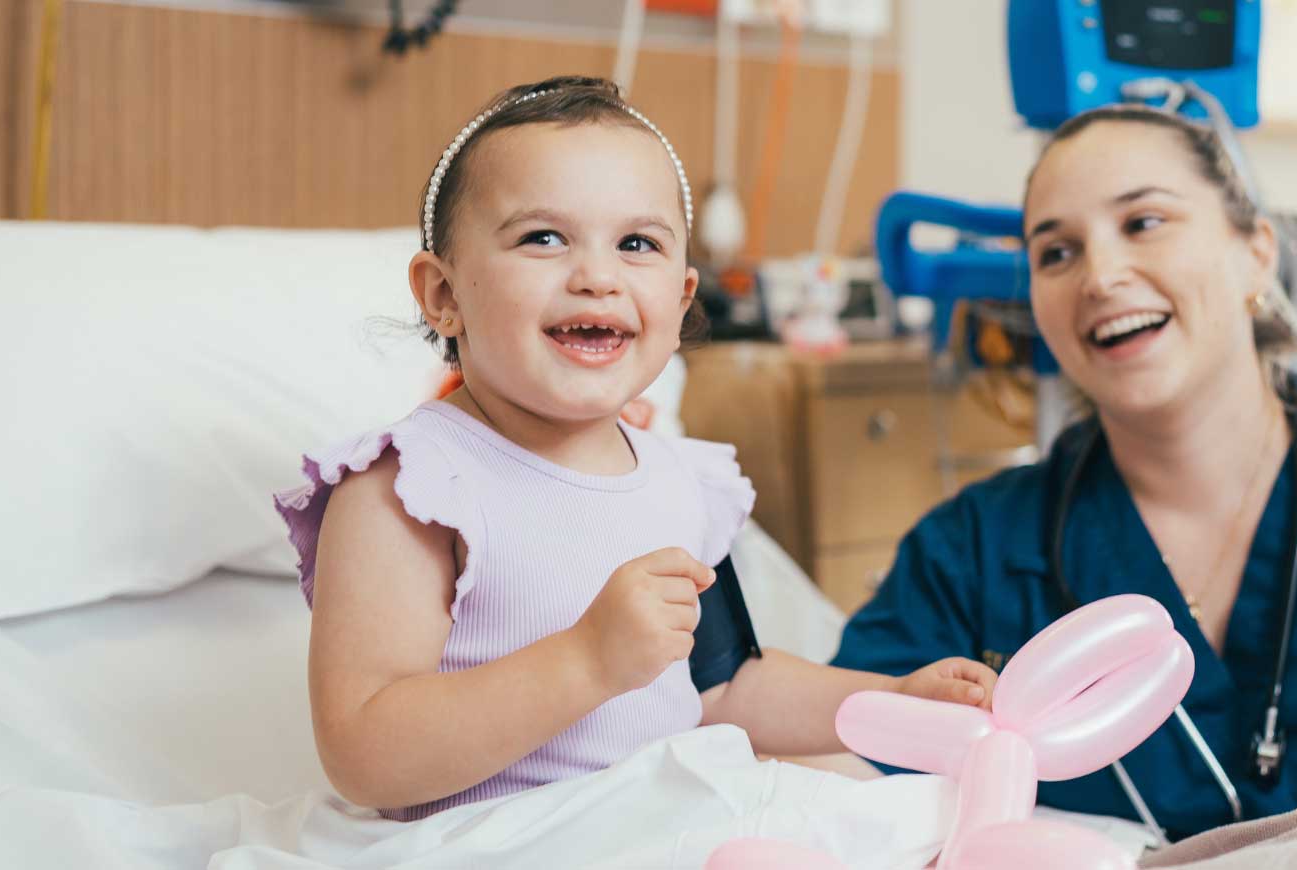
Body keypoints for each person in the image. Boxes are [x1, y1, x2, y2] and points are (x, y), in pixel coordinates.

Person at [831, 105, 1297, 864]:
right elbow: (837, 770)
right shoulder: (970, 555)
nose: (1100, 275)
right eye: (1056, 252)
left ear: (1256, 252)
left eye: (1145, 223)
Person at [278, 76, 991, 822]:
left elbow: (723, 690)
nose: (597, 277)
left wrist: (890, 697)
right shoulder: (414, 486)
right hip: (496, 841)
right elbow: (365, 754)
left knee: (867, 796)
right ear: (442, 294)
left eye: (637, 244)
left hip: (656, 821)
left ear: (681, 303)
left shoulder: (680, 482)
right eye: (542, 238)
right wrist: (586, 660)